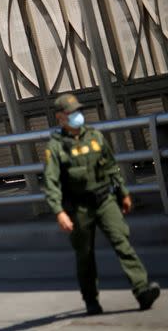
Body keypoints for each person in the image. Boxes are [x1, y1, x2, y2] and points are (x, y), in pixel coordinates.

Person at [44, 93, 160, 315]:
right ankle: (91, 300)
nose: (77, 115)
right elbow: (51, 181)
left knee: (122, 241)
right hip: (79, 208)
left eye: (78, 111)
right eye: (71, 113)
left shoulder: (95, 137)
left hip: (105, 200)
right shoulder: (56, 147)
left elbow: (111, 166)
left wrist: (123, 193)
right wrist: (59, 212)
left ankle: (142, 290)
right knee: (85, 255)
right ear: (60, 117)